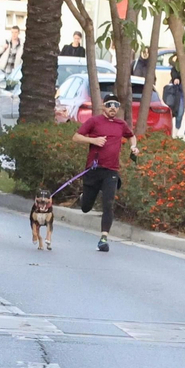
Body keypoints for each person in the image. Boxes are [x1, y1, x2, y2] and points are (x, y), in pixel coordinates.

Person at [73, 96, 137, 252]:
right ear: (103, 106)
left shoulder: (121, 124)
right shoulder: (94, 121)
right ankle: (83, 198)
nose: (113, 108)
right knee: (86, 207)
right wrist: (93, 141)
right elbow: (76, 137)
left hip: (111, 171)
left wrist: (133, 147)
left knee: (108, 203)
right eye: (109, 105)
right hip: (94, 170)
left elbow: (131, 136)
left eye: (116, 105)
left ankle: (103, 239)